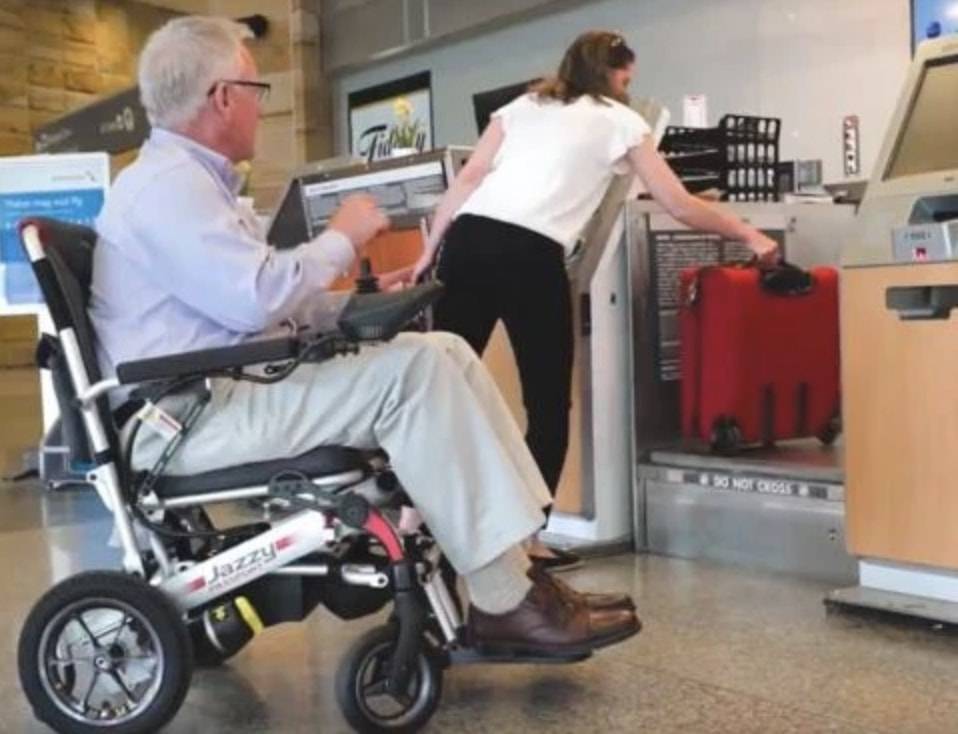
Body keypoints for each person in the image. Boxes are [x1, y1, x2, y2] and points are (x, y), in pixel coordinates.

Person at [88, 16, 640, 657]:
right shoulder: (167, 188)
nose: (261, 106)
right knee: (415, 374)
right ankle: (503, 600)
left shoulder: (185, 184)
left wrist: (355, 304)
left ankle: (519, 568)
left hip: (214, 395)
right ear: (222, 97)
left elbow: (253, 305)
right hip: (188, 420)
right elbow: (257, 296)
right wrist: (342, 238)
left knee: (446, 351)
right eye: (256, 89)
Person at [414, 30, 781, 570]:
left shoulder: (523, 106)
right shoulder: (623, 121)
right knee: (546, 404)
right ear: (613, 73)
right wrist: (749, 234)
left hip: (467, 241)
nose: (629, 86)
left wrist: (429, 252)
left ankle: (412, 525)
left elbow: (469, 177)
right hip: (529, 255)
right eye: (627, 77)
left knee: (439, 388)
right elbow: (678, 203)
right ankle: (527, 543)